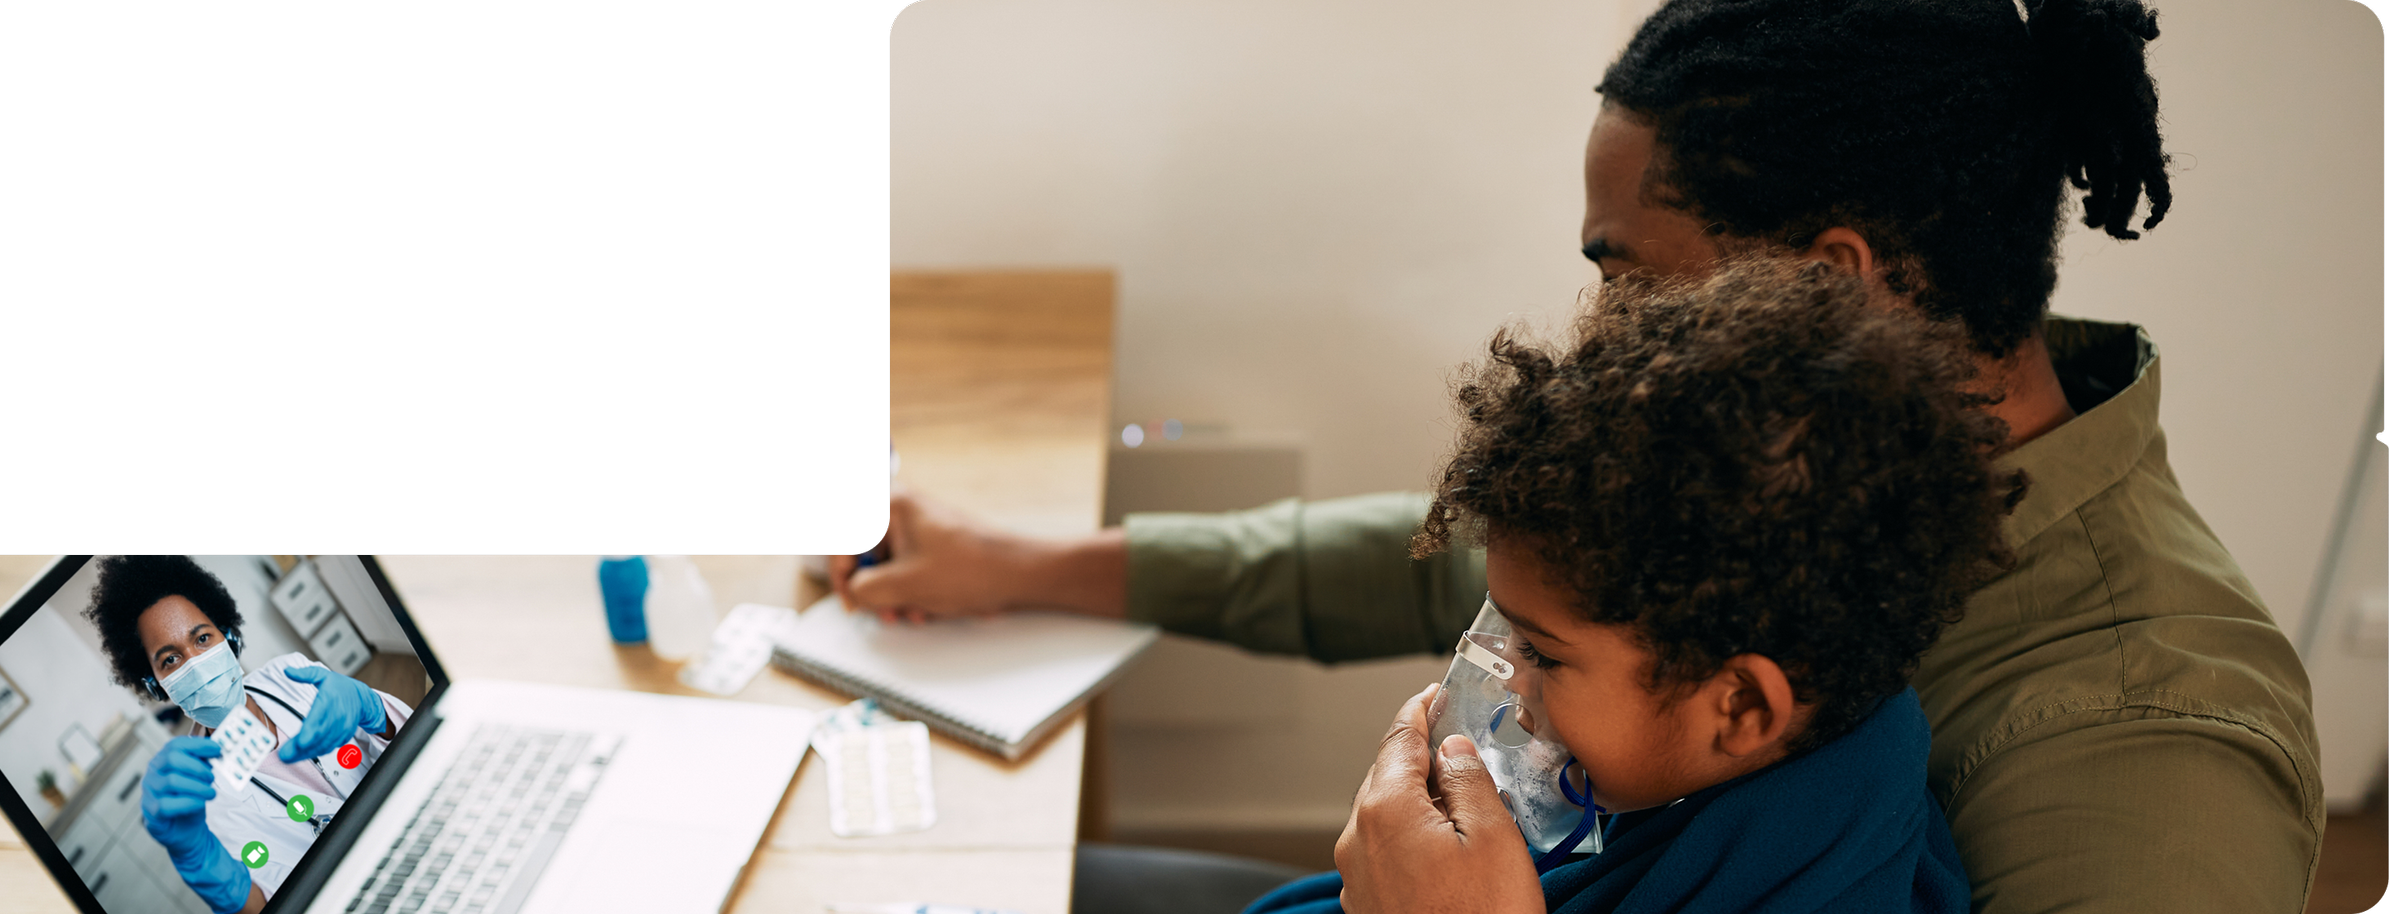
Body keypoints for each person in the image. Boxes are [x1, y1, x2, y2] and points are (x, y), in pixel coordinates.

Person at [841, 0, 2322, 911]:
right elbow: (1460, 574)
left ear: (1831, 282)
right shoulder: (1773, 458)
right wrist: (1030, 563)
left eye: (1630, 277)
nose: (1602, 325)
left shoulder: (2149, 759)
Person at [1254, 255, 2019, 913]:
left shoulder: (1840, 884)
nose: (1505, 677)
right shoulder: (1746, 764)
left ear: (1742, 706)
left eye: (1543, 654)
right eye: (1508, 630)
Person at [84, 555, 411, 914]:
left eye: (203, 638)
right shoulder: (199, 795)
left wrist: (374, 711)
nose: (195, 662)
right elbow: (265, 904)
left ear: (229, 637)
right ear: (156, 685)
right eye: (170, 660)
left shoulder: (291, 674)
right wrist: (200, 862)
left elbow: (411, 743)